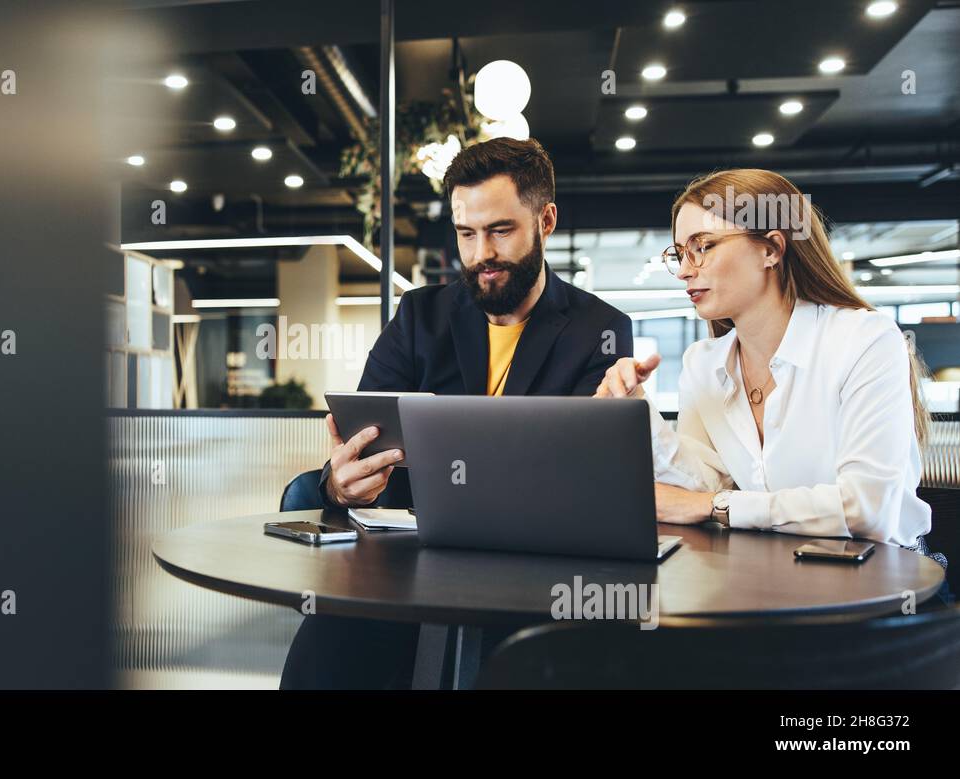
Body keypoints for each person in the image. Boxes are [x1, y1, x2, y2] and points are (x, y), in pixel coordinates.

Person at [280, 137, 633, 689]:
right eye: (466, 234)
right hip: (406, 563)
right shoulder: (421, 316)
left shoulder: (599, 331)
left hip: (528, 575)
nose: (480, 254)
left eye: (500, 231)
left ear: (546, 220)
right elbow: (363, 439)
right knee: (330, 639)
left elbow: (578, 485)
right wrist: (340, 483)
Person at [593, 168, 939, 564]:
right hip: (775, 574)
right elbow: (705, 485)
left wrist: (717, 507)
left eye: (702, 246)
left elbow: (865, 509)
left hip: (882, 581)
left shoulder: (864, 340)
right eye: (679, 253)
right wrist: (638, 411)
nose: (686, 270)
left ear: (771, 249)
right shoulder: (703, 363)